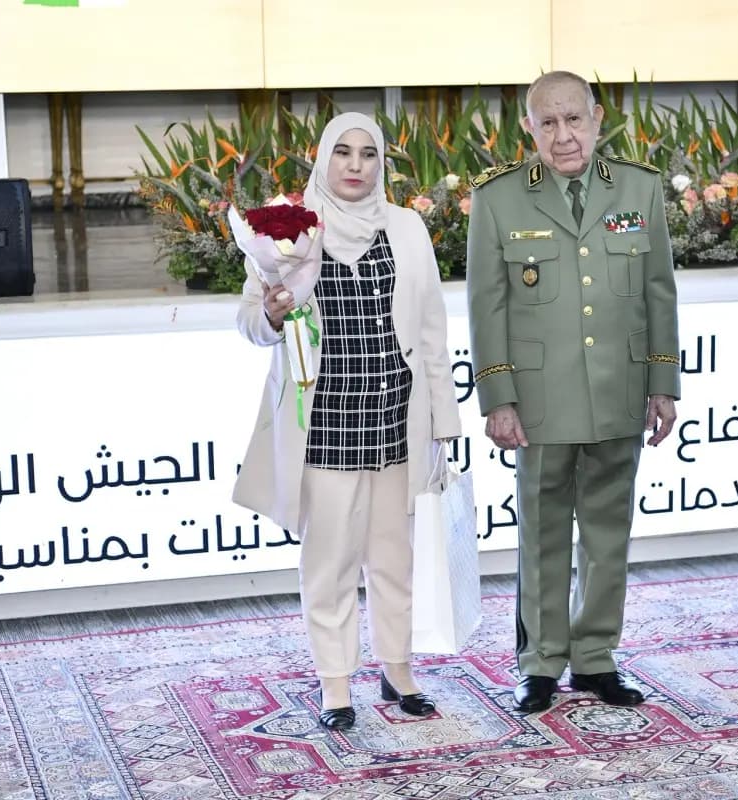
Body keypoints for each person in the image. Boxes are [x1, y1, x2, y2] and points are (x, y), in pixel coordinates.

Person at [232, 112, 462, 730]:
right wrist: (275, 315)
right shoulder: (287, 228)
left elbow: (433, 332)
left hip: (395, 419)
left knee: (393, 557)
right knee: (330, 560)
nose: (355, 166)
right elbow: (251, 321)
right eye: (343, 153)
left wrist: (445, 423)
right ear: (323, 160)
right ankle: (336, 682)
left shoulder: (408, 228)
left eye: (367, 154)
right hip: (326, 420)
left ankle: (398, 670)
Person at [465, 71, 680, 713]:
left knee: (610, 532)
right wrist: (497, 397)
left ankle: (595, 659)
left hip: (620, 388)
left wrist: (663, 382)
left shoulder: (639, 189)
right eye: (548, 123)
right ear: (529, 129)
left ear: (597, 119)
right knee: (543, 532)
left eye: (574, 120)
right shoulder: (499, 200)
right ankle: (540, 663)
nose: (564, 136)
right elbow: (486, 306)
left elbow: (659, 290)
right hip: (540, 399)